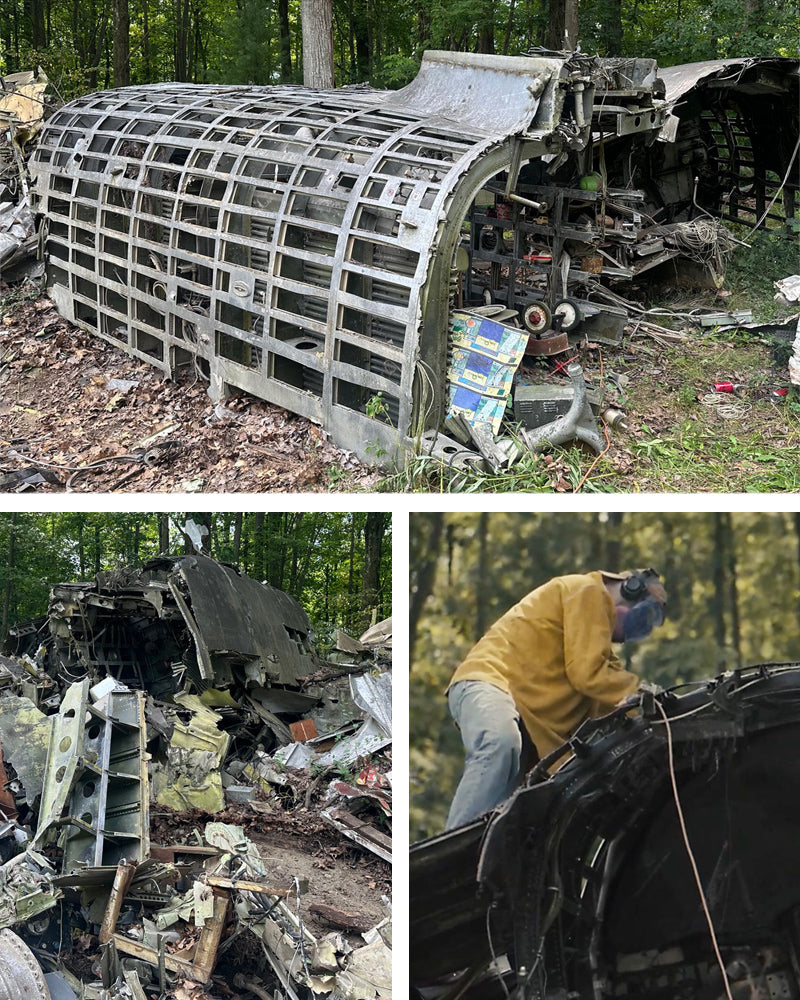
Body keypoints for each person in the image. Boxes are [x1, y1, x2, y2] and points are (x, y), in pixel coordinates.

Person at [445, 568, 667, 830]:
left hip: (525, 716)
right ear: (629, 588)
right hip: (488, 680)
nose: (637, 629)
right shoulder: (588, 591)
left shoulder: (596, 647)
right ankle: (447, 857)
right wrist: (642, 693)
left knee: (509, 814)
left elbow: (611, 700)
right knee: (500, 742)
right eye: (642, 615)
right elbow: (589, 674)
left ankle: (476, 857)